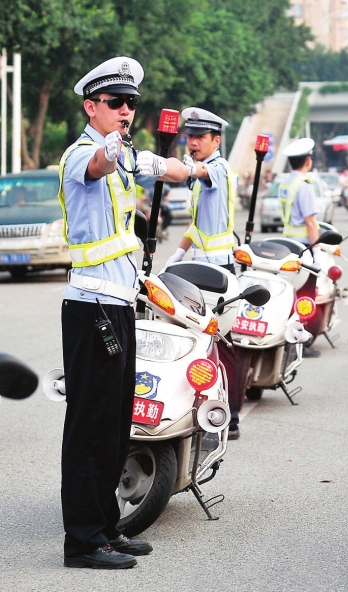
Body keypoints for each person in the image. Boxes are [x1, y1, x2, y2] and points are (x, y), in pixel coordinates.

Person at [58, 56, 195, 570]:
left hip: (118, 306)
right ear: (90, 106)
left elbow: (165, 167)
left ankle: (108, 528)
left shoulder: (127, 154)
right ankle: (83, 541)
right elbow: (99, 165)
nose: (126, 111)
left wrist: (195, 168)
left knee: (118, 424)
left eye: (131, 103)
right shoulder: (81, 155)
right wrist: (113, 145)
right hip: (90, 308)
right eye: (116, 103)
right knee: (91, 425)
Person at [165, 107, 241, 440]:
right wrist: (177, 254)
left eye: (199, 137)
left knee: (222, 344)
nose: (192, 142)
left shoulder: (218, 170)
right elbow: (196, 225)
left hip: (220, 272)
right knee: (195, 340)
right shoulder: (203, 172)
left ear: (216, 140)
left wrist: (176, 166)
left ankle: (233, 415)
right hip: (199, 271)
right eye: (189, 136)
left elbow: (197, 171)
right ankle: (196, 409)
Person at [279, 137, 322, 359]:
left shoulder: (285, 184)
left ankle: (287, 341)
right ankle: (300, 344)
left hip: (288, 245)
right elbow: (311, 222)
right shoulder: (305, 185)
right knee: (305, 298)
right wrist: (317, 252)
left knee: (291, 296)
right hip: (304, 247)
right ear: (308, 161)